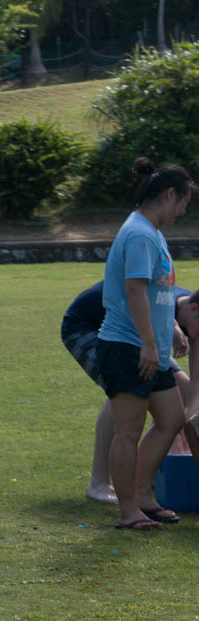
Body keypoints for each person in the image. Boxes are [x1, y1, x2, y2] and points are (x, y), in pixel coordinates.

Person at [96, 157, 195, 530]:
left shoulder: (152, 232)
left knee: (172, 419)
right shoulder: (138, 233)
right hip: (128, 347)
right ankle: (128, 512)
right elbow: (134, 291)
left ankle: (142, 494)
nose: (183, 211)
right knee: (128, 431)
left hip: (150, 346)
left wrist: (170, 327)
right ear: (169, 194)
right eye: (183, 202)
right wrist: (150, 344)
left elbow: (156, 290)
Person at [62, 280, 199, 504]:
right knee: (125, 393)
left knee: (178, 389)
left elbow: (196, 383)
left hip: (139, 339)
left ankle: (152, 472)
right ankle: (99, 483)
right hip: (88, 327)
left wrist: (194, 431)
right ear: (193, 309)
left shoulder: (191, 319)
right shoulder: (163, 304)